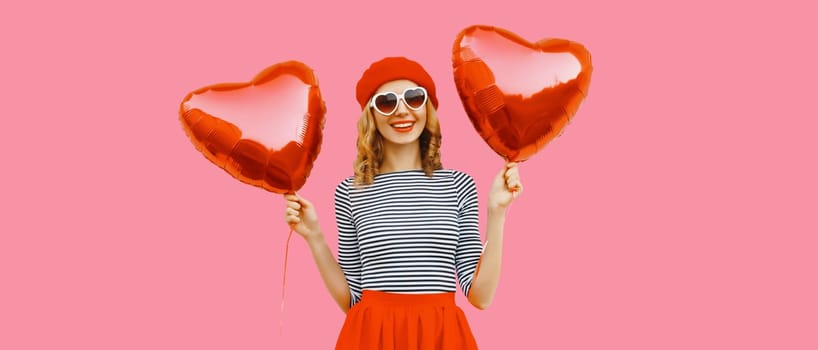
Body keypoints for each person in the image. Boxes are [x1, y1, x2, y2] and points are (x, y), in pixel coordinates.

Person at [283, 56, 523, 349]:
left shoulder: (458, 186)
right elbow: (352, 300)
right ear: (371, 114)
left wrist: (497, 213)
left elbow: (481, 296)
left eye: (413, 98)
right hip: (372, 335)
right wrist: (314, 237)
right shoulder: (350, 192)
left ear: (427, 108)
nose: (402, 111)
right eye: (386, 102)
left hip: (441, 335)